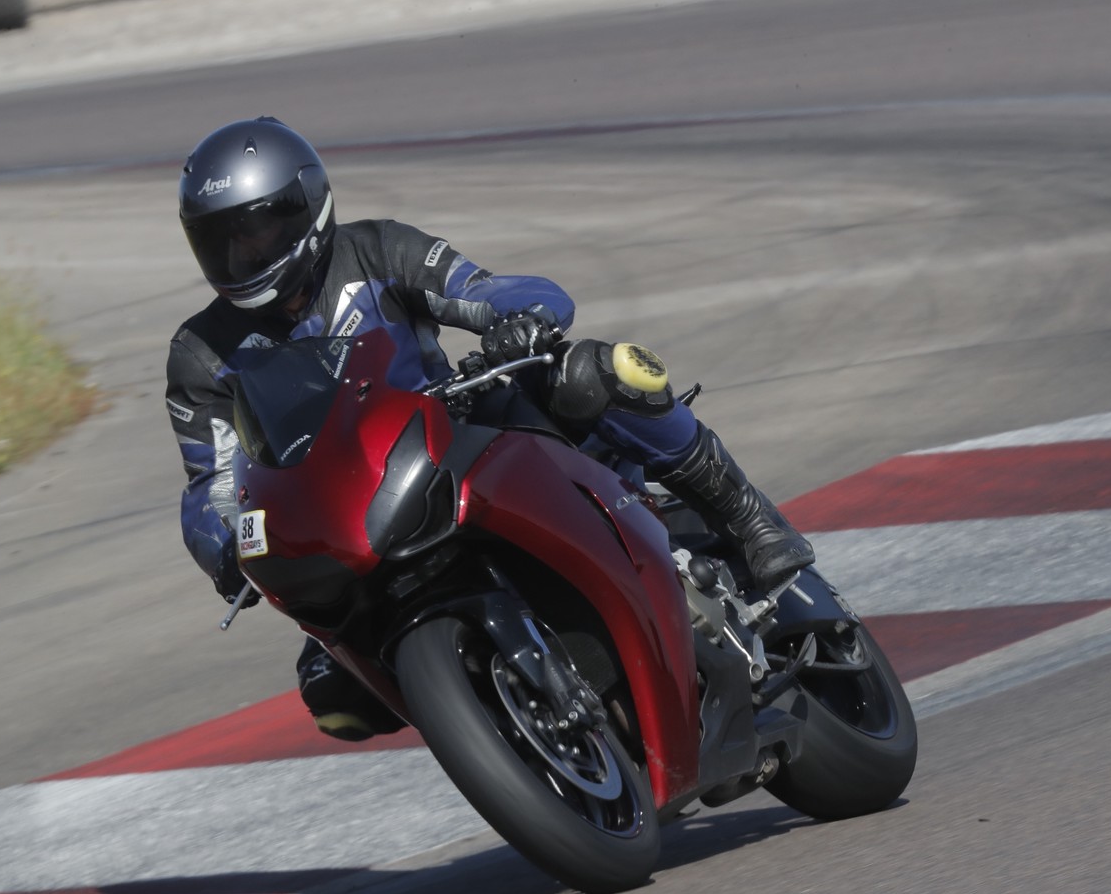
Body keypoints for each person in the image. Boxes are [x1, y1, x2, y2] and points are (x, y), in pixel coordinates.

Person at [165, 116, 815, 741]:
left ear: (304, 207)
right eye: (221, 240)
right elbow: (211, 482)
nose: (242, 254)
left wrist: (521, 318)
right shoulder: (201, 352)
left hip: (451, 434)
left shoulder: (376, 249)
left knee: (593, 373)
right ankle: (505, 724)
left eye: (255, 232)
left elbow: (484, 290)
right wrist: (225, 547)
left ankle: (748, 516)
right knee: (333, 697)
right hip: (344, 511)